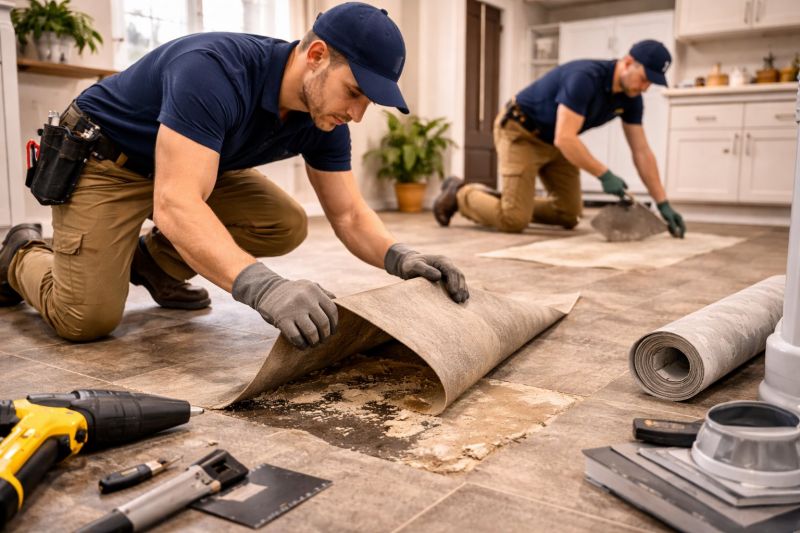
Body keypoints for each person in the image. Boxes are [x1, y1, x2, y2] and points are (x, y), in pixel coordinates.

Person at [0, 2, 469, 348]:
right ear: (317, 55)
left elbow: (347, 214)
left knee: (285, 221)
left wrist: (400, 257)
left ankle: (150, 263)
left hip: (192, 163)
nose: (358, 114)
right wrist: (263, 287)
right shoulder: (214, 71)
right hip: (108, 162)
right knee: (86, 321)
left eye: (368, 101)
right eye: (355, 93)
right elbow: (175, 203)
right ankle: (19, 253)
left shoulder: (324, 116)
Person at [433, 39, 686, 238]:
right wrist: (604, 174)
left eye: (651, 83)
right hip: (520, 131)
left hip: (555, 141)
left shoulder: (631, 99)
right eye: (644, 78)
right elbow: (566, 138)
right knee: (513, 220)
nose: (645, 87)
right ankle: (461, 193)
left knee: (569, 215)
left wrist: (662, 203)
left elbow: (641, 151)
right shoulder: (586, 77)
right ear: (629, 61)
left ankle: (505, 200)